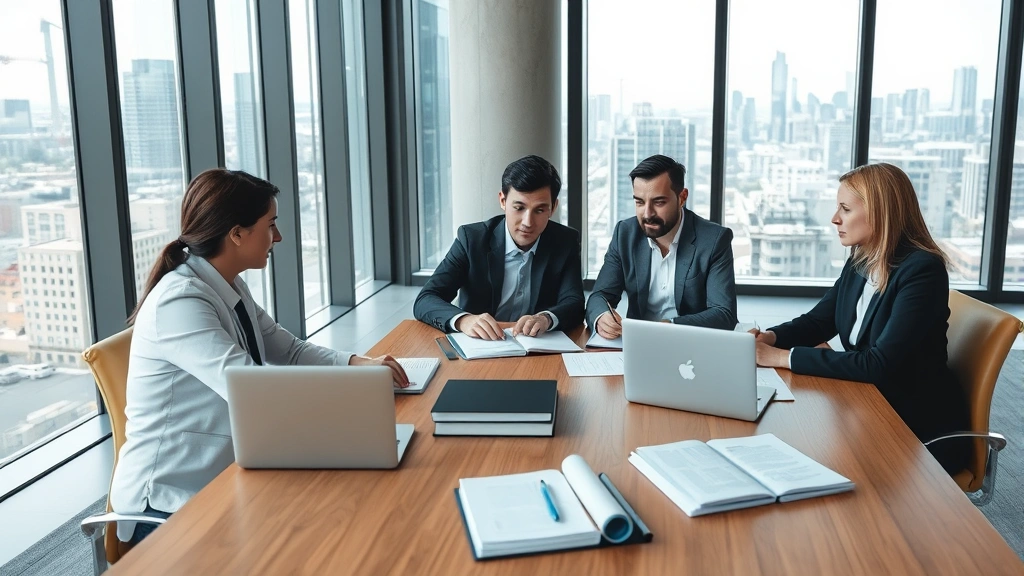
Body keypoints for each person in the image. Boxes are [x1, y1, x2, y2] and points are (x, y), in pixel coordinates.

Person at [109, 169, 409, 544]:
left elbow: (289, 349)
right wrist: (348, 404)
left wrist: (359, 366)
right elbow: (251, 391)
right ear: (236, 233)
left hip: (227, 473)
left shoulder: (227, 283)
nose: (278, 237)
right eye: (271, 225)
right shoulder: (179, 301)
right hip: (170, 504)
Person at [752, 162, 969, 473]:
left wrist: (779, 357)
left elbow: (877, 364)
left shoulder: (922, 271)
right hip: (865, 405)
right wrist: (769, 338)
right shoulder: (862, 257)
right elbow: (818, 322)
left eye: (845, 209)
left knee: (807, 453)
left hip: (912, 426)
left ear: (880, 213)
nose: (835, 218)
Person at [414, 155, 585, 339]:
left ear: (553, 207)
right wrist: (464, 320)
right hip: (481, 346)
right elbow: (426, 299)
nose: (528, 222)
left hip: (536, 346)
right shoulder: (472, 239)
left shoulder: (565, 241)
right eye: (519, 208)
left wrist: (546, 318)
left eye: (540, 210)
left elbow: (574, 303)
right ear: (503, 201)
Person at [586, 154, 737, 338]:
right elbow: (600, 296)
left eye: (658, 202)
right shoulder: (624, 234)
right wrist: (602, 316)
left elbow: (724, 314)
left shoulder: (714, 240)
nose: (647, 213)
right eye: (639, 202)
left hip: (692, 344)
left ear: (682, 197)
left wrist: (667, 327)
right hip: (638, 346)